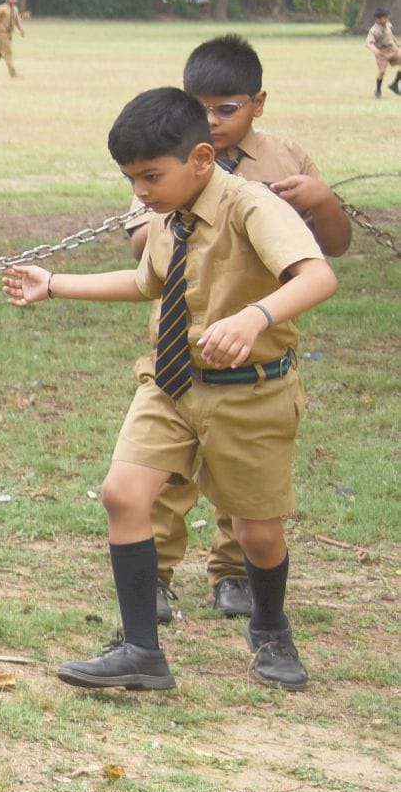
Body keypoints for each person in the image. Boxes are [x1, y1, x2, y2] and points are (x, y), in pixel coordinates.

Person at [3, 88, 334, 694]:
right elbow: (145, 282)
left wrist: (254, 317)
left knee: (259, 533)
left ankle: (269, 625)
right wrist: (54, 284)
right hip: (171, 382)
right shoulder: (167, 217)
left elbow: (318, 275)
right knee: (123, 494)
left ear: (202, 159)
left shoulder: (250, 206)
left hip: (251, 393)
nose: (141, 193)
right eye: (132, 180)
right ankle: (139, 651)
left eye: (151, 176)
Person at [125, 35, 351, 624]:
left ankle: (235, 579)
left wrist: (320, 200)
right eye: (201, 108)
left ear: (258, 102)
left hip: (247, 358)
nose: (212, 121)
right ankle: (154, 577)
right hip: (180, 353)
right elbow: (142, 256)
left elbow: (329, 253)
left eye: (227, 108)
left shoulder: (283, 160)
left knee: (242, 490)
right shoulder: (163, 154)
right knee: (158, 477)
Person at [371, 8, 401, 98]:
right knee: (382, 72)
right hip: (382, 53)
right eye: (385, 17)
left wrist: (396, 43)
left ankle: (394, 84)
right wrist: (375, 51)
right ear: (379, 19)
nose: (388, 18)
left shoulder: (388, 24)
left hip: (392, 49)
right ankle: (378, 90)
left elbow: (390, 35)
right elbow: (368, 43)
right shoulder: (374, 30)